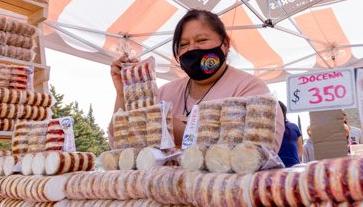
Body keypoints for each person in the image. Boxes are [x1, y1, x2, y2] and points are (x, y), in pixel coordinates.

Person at [110, 9, 284, 151]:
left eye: (201, 40)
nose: (192, 49)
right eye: (183, 44)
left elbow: (260, 152)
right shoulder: (164, 93)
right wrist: (123, 95)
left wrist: (174, 128)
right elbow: (119, 142)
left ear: (225, 45)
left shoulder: (249, 89)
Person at [277, 101, 302, 167]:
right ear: (285, 113)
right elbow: (300, 151)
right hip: (294, 166)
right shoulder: (294, 127)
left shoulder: (268, 130)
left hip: (275, 168)